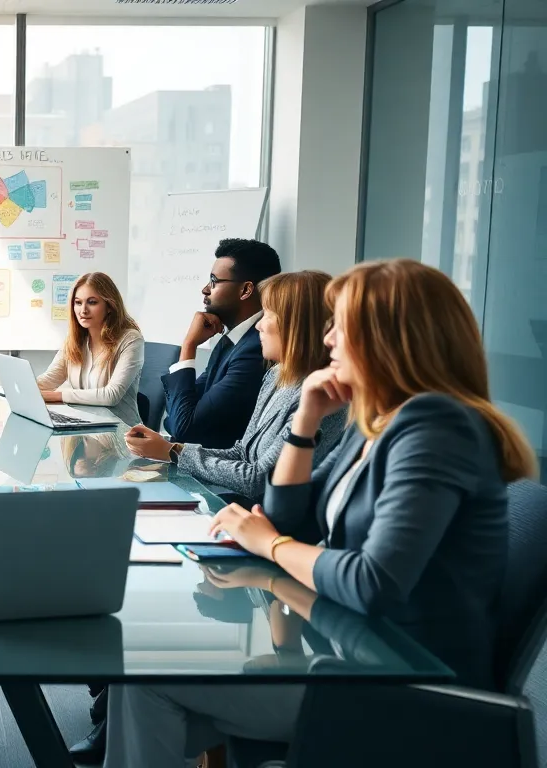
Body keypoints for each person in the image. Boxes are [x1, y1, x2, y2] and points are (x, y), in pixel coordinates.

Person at [103, 259, 537, 767]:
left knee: (146, 685)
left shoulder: (436, 427)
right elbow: (287, 514)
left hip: (405, 687)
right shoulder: (374, 421)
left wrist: (269, 545)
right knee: (140, 686)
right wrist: (306, 419)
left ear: (386, 337)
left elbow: (370, 580)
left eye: (340, 326)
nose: (327, 340)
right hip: (349, 655)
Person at [126, 271, 347, 507]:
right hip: (244, 509)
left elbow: (257, 479)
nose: (259, 325)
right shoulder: (275, 375)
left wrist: (173, 452)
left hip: (265, 518)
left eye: (268, 315)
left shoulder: (322, 398)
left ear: (297, 324)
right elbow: (243, 452)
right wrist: (172, 448)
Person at [162, 238, 282, 449]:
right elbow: (176, 416)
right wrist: (180, 419)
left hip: (217, 473)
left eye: (213, 281)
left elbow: (183, 426)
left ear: (245, 290)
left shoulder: (256, 350)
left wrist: (189, 345)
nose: (205, 290)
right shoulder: (232, 341)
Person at [36, 272, 144, 427]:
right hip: (84, 425)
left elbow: (111, 396)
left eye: (92, 302)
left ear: (109, 306)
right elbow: (49, 380)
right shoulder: (75, 340)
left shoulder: (131, 339)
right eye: (78, 303)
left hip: (121, 432)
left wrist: (57, 396)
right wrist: (22, 389)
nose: (83, 310)